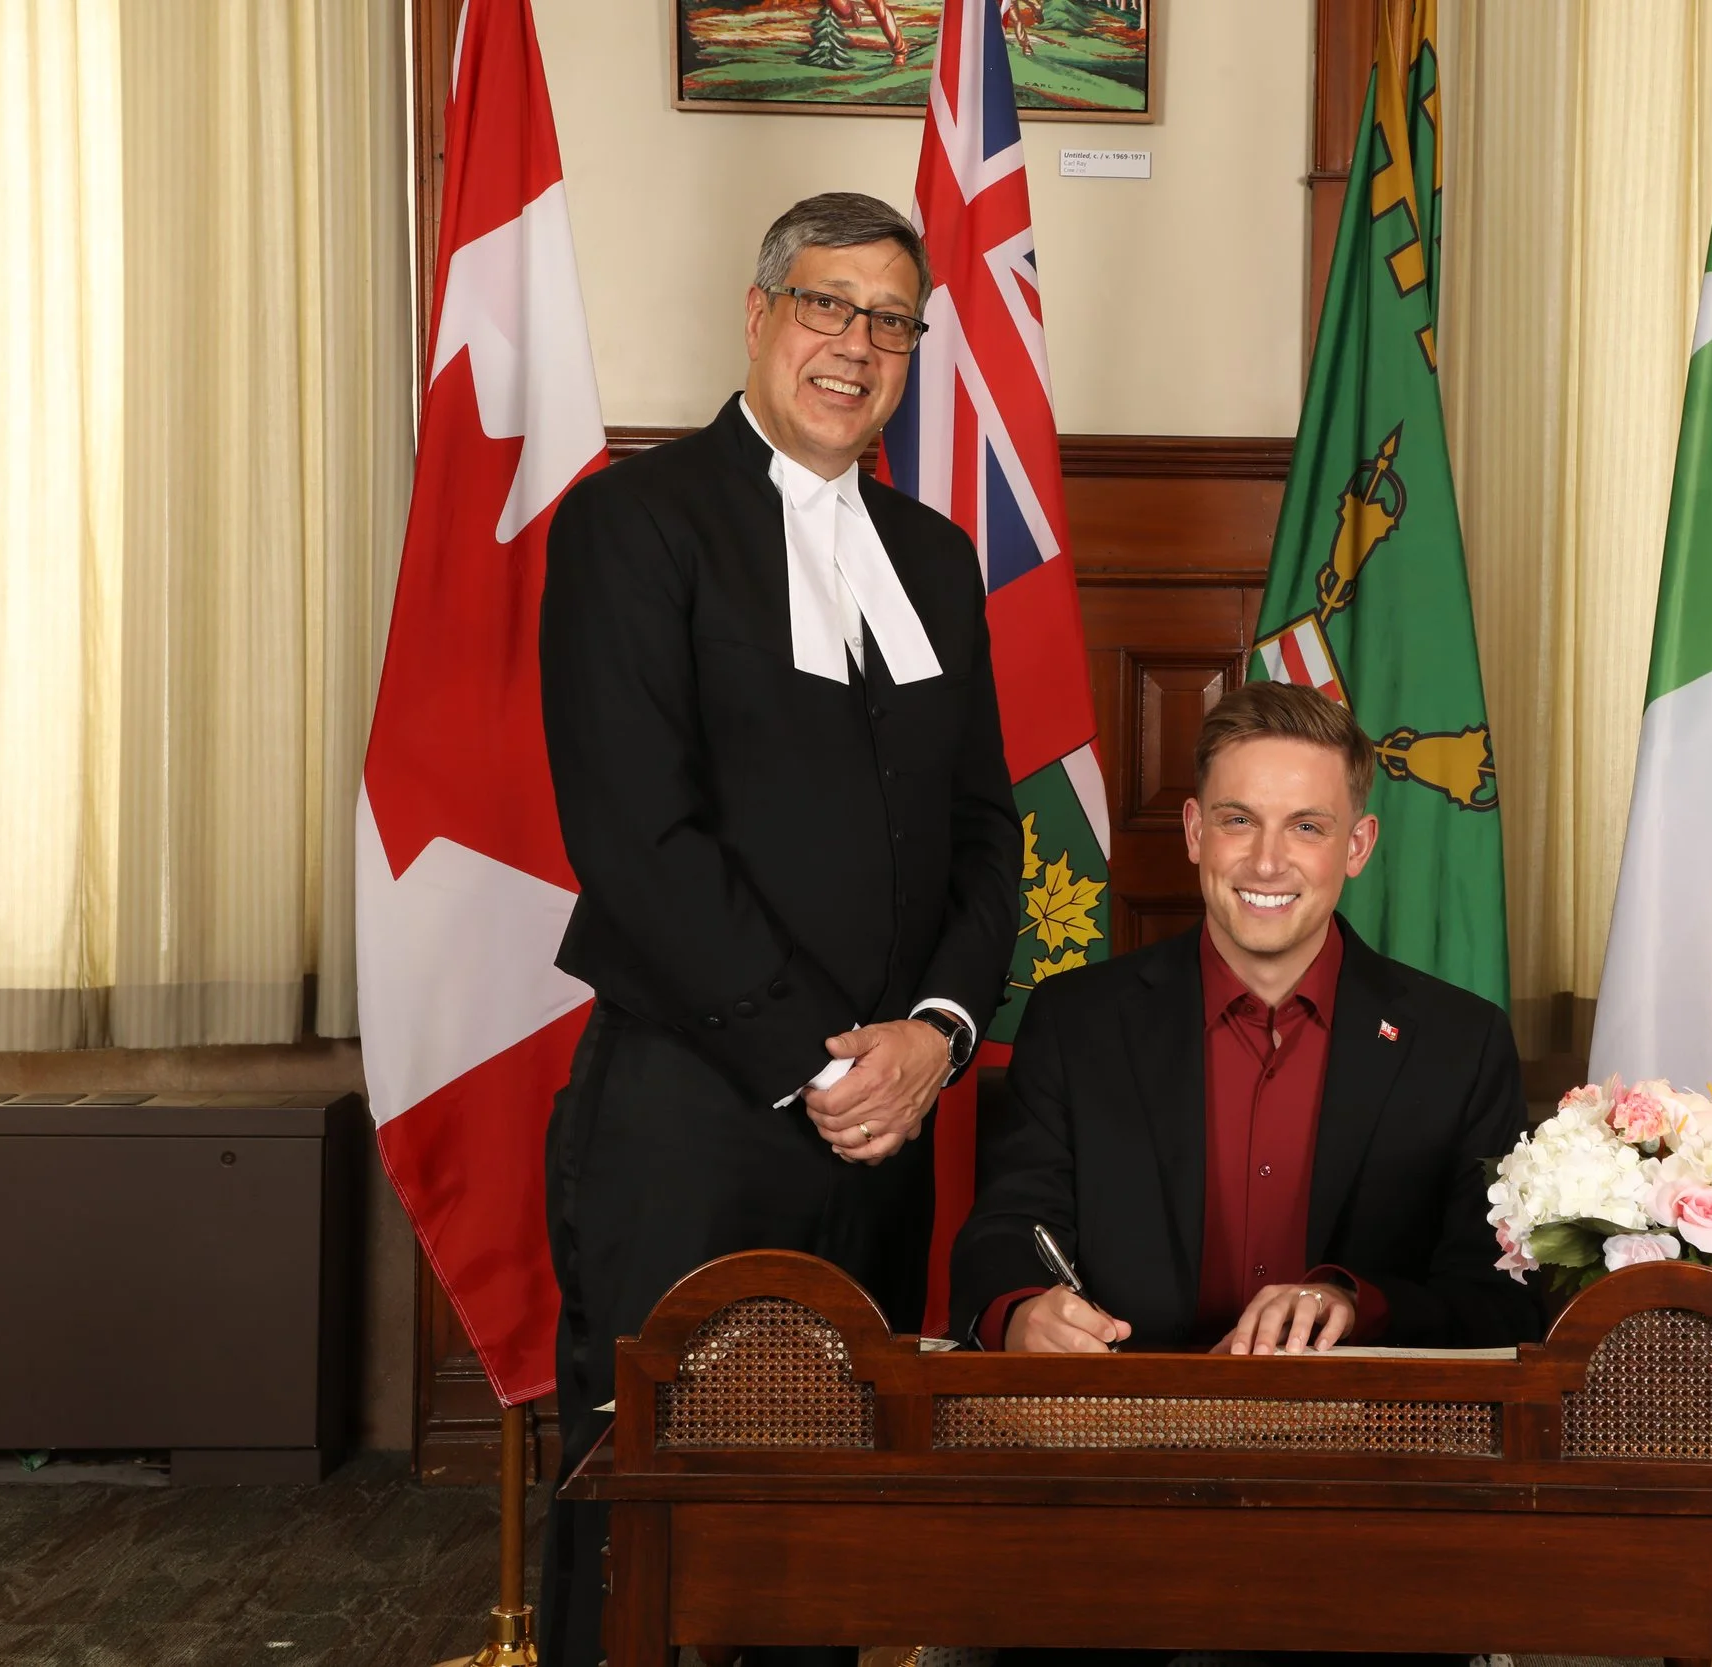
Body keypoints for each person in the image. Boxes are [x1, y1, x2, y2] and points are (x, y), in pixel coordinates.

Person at [536, 192, 1022, 1667]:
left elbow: (985, 835)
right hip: (694, 1112)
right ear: (759, 315)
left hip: (885, 1121)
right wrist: (825, 1062)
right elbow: (638, 839)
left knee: (824, 1513)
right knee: (647, 1519)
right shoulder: (635, 522)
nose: (855, 344)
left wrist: (934, 1039)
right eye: (827, 304)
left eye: (890, 320)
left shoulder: (935, 556)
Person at [952, 680, 1538, 1359]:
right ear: (1196, 831)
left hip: (1366, 1441)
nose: (1266, 860)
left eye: (1306, 826)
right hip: (1123, 1430)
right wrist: (1022, 1312)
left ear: (1357, 845)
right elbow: (1004, 1237)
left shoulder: (1460, 1045)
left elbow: (1500, 1300)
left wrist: (1354, 1303)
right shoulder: (1074, 1022)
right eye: (1239, 820)